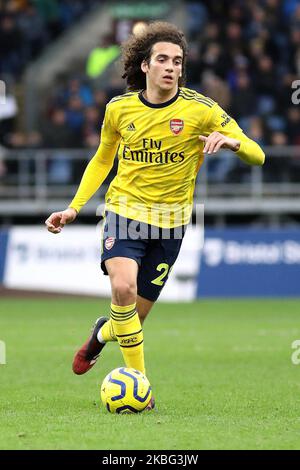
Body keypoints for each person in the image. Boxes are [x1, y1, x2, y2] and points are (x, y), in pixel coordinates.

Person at [45, 22, 265, 409]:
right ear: (145, 66)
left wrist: (232, 142)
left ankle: (100, 335)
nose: (171, 67)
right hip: (124, 213)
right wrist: (74, 206)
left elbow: (257, 154)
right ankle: (141, 389)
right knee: (123, 290)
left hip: (173, 224)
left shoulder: (201, 110)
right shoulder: (119, 109)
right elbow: (102, 159)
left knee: (131, 320)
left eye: (177, 61)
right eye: (162, 59)